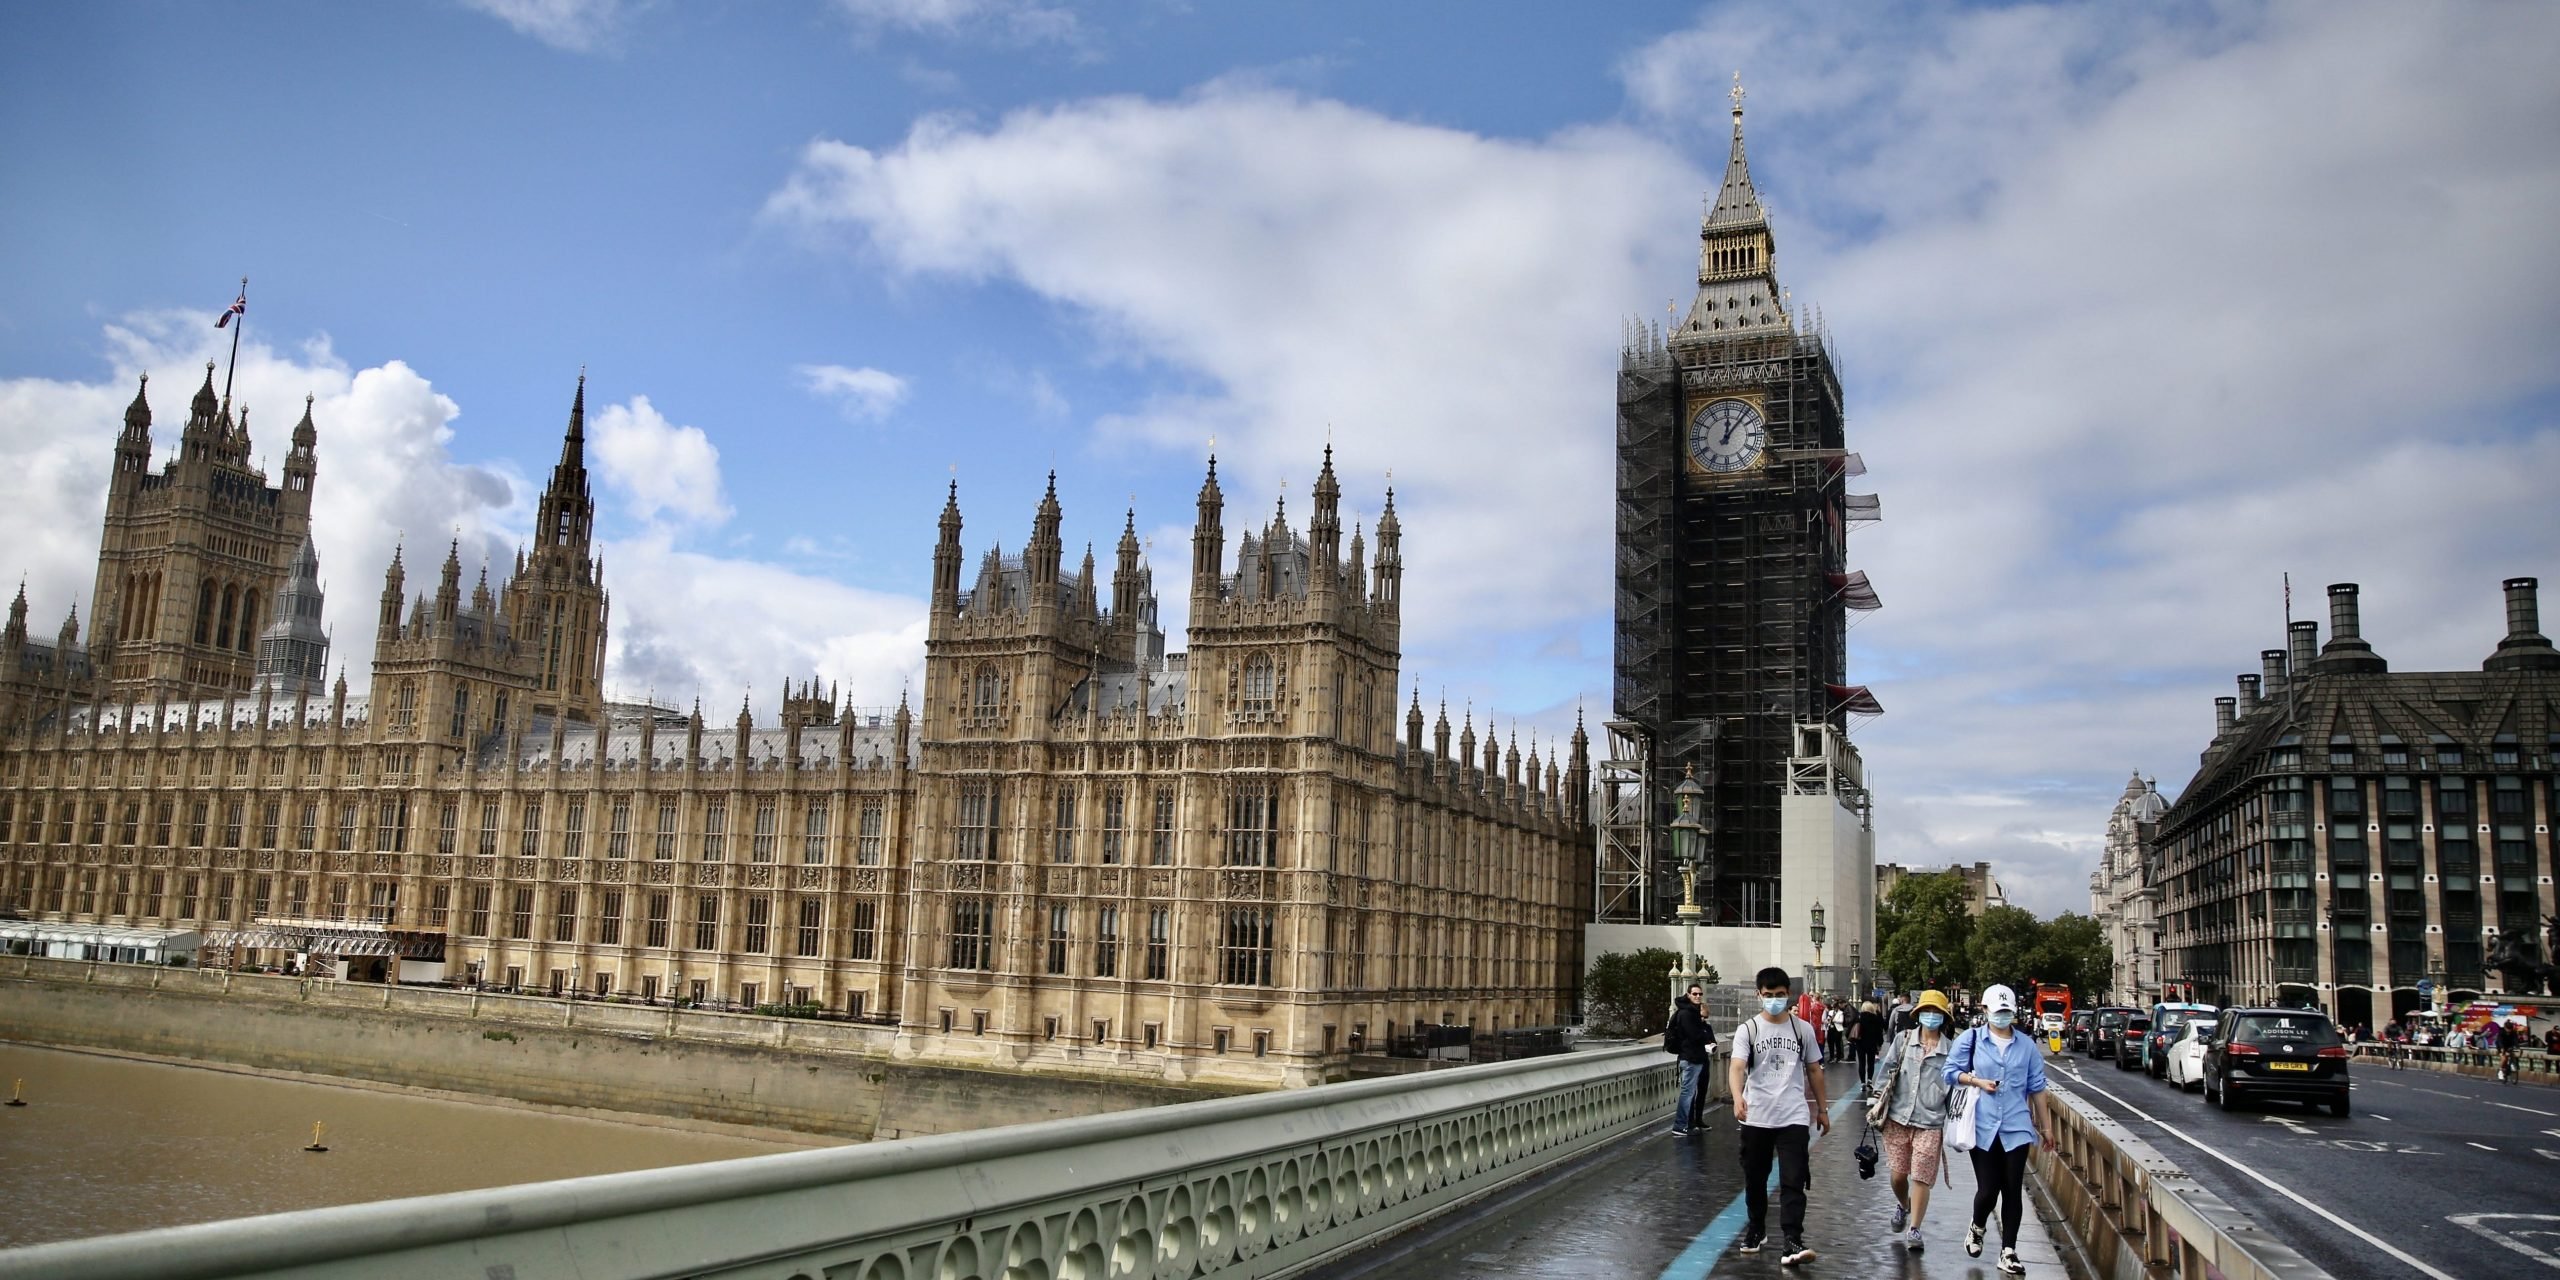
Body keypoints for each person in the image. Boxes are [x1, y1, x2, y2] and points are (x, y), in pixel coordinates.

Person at [1946, 984, 2054, 1277]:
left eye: (2007, 1012)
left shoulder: (2027, 1046)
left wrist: (2046, 1128)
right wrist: (1977, 1081)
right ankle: (1977, 1225)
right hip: (1982, 1126)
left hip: (2017, 1127)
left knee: (2012, 1189)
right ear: (1984, 1010)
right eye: (1997, 1012)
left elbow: (2038, 1088)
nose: (2003, 1017)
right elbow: (1950, 1072)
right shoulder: (1971, 1040)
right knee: (1988, 1190)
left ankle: (2009, 1250)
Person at [1732, 966, 1829, 1267]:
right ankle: (1757, 1228)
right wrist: (1738, 1097)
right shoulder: (1748, 1030)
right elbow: (1737, 1066)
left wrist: (1823, 1110)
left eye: (1781, 995)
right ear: (1759, 995)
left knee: (1793, 1179)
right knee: (1755, 1178)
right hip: (1757, 1114)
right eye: (1769, 995)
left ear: (1790, 996)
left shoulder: (1802, 1029)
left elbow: (1814, 1069)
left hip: (1793, 1114)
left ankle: (1792, 1239)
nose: (1775, 1000)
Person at [1871, 988, 1955, 1252]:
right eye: (1926, 1011)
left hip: (1930, 1122)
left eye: (1936, 1012)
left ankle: (1915, 1228)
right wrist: (1875, 1101)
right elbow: (1886, 1072)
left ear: (1944, 1017)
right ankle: (1903, 1205)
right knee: (1898, 1176)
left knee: (1920, 1176)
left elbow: (1955, 1088)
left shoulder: (1950, 1050)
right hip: (1898, 1117)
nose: (1931, 1016)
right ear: (1918, 1014)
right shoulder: (1903, 1039)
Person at [1669, 984, 1720, 1134]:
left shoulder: (1690, 1012)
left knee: (1691, 1092)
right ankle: (1680, 1125)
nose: (1698, 996)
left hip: (1695, 1057)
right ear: (1688, 994)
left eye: (1700, 994)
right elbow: (1694, 1035)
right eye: (1695, 994)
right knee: (1687, 1093)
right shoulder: (1686, 1013)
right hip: (1690, 1058)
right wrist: (1705, 1037)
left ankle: (1689, 1124)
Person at [1854, 1000, 1887, 1088]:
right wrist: (1880, 1043)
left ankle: (1862, 1082)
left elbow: (1851, 1029)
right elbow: (1879, 1032)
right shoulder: (1875, 1018)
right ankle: (1869, 1079)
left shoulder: (1859, 1017)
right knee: (1871, 1062)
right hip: (1872, 1043)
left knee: (1861, 1062)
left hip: (1860, 1043)